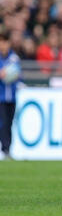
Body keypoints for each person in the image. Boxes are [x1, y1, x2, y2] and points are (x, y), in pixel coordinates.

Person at [0, 31, 21, 160]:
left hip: (11, 97)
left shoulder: (14, 57)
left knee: (9, 123)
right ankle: (5, 148)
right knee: (2, 123)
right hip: (1, 97)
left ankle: (7, 149)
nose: (3, 45)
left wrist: (8, 73)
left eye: (5, 42)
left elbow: (17, 74)